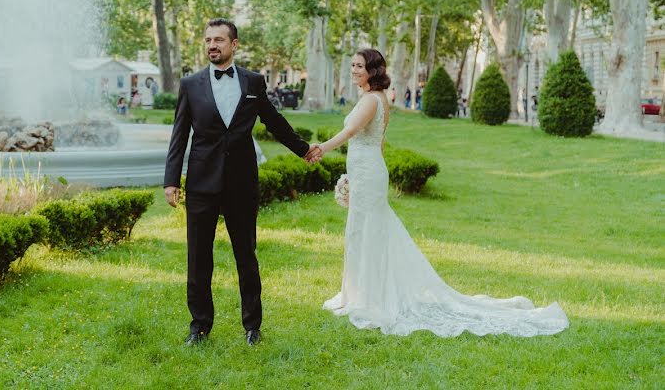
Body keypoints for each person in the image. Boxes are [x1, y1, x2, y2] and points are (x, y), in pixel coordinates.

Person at [307, 48, 569, 337]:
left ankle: (370, 298)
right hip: (366, 170)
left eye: (359, 66)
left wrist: (320, 149)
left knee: (369, 230)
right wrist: (355, 177)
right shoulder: (374, 98)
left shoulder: (371, 100)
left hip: (368, 172)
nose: (354, 70)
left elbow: (351, 132)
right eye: (352, 65)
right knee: (361, 230)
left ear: (373, 70)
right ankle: (358, 291)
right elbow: (378, 143)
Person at [164, 18, 319, 347]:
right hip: (202, 183)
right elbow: (179, 135)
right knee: (198, 259)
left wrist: (303, 149)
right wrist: (170, 180)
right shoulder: (190, 85)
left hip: (241, 183)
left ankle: (252, 326)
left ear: (234, 45)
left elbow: (274, 121)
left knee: (246, 256)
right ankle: (200, 327)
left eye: (219, 40)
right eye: (207, 40)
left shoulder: (252, 82)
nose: (212, 45)